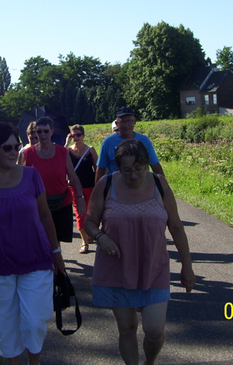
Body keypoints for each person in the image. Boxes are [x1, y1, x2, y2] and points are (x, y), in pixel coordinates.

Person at [0, 122, 65, 365]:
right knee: (4, 327)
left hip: (36, 261)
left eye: (16, 146)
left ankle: (35, 362)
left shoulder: (31, 176)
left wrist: (57, 252)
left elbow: (45, 216)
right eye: (7, 148)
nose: (14, 152)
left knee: (34, 321)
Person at [85, 139, 195, 365]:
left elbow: (175, 226)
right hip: (117, 269)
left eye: (139, 168)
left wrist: (187, 266)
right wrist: (100, 236)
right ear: (118, 167)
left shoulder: (159, 184)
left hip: (154, 268)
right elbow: (89, 222)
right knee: (127, 329)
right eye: (127, 170)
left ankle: (149, 362)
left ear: (147, 164)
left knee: (155, 331)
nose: (133, 174)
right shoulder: (106, 185)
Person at [19, 116, 86, 245]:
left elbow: (73, 177)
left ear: (52, 132)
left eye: (46, 131)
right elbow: (22, 180)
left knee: (56, 240)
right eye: (39, 131)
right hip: (38, 205)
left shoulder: (62, 152)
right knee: (40, 240)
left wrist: (80, 197)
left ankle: (57, 263)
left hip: (60, 203)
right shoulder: (28, 153)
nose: (42, 134)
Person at [96, 107, 164, 183]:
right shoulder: (108, 142)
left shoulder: (144, 140)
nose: (126, 125)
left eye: (129, 121)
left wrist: (162, 187)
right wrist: (98, 190)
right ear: (116, 124)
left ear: (134, 121)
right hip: (116, 186)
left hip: (141, 186)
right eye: (122, 122)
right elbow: (101, 168)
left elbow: (155, 165)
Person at [64, 124, 98, 253]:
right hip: (74, 187)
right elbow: (60, 157)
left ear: (83, 136)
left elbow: (97, 168)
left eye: (78, 135)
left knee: (91, 212)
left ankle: (90, 233)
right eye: (73, 135)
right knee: (79, 214)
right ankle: (84, 242)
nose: (76, 138)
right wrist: (66, 143)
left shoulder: (90, 150)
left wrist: (98, 184)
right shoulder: (67, 151)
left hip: (90, 186)